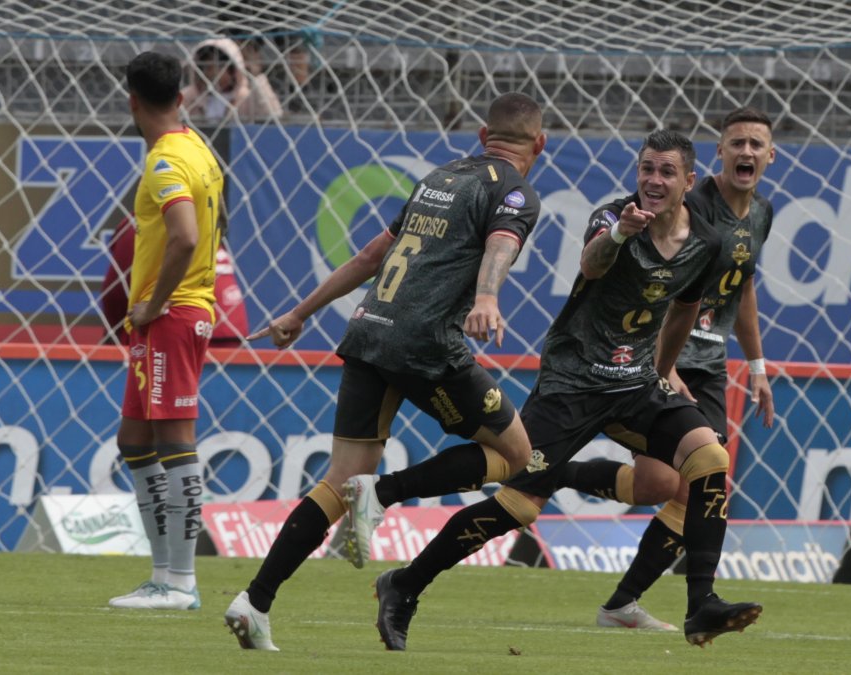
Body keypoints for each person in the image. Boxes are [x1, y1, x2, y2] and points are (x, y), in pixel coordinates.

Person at [348, 130, 762, 652]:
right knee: (515, 501)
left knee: (709, 460)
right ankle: (404, 577)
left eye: (666, 172)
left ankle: (700, 604)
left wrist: (663, 369)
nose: (653, 181)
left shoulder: (707, 241)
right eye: (647, 169)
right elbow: (592, 264)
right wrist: (619, 236)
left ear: (689, 182)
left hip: (635, 383)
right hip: (574, 381)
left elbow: (681, 310)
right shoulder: (614, 217)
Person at [223, 92, 547, 651]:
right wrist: (488, 297)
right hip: (425, 344)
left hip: (369, 328)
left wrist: (300, 313)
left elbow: (372, 254)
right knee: (517, 455)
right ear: (539, 144)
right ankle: (385, 492)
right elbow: (501, 243)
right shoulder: (513, 190)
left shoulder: (439, 178)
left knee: (337, 481)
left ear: (479, 134)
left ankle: (254, 601)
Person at [558, 106, 778, 631]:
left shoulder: (762, 214)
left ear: (770, 155)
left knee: (664, 486)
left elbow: (742, 285)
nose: (746, 152)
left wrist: (758, 363)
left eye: (755, 144)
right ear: (718, 153)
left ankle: (620, 604)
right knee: (695, 478)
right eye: (736, 143)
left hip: (710, 364)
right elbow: (654, 285)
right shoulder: (687, 205)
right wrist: (663, 365)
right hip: (663, 360)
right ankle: (671, 602)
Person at [107, 51, 225, 610]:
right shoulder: (197, 148)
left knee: (176, 444)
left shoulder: (164, 163)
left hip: (172, 314)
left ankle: (180, 582)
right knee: (133, 440)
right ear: (181, 97)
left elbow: (183, 235)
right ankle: (162, 576)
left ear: (131, 101)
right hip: (177, 312)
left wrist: (154, 302)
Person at [100, 216, 249, 347]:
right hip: (230, 326)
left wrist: (116, 335)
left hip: (180, 327)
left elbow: (114, 293)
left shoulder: (141, 223)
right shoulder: (201, 215)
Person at [180, 38, 283, 122]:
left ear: (233, 70)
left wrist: (257, 77)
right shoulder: (188, 97)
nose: (210, 73)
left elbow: (274, 115)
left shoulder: (245, 98)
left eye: (218, 66)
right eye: (205, 67)